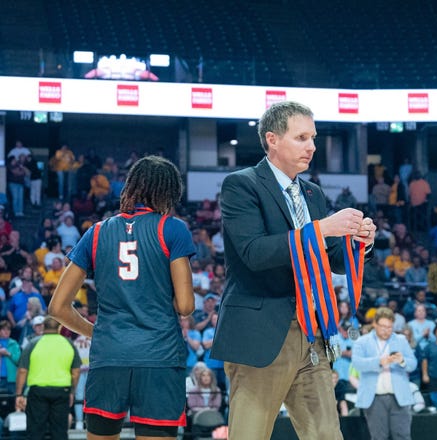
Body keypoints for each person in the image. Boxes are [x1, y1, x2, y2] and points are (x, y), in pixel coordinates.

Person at [210, 101, 376, 440]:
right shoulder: (241, 185)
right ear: (272, 139)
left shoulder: (312, 192)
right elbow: (254, 253)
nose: (312, 146)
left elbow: (332, 260)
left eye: (313, 137)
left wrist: (360, 243)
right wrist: (322, 229)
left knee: (327, 435)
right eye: (301, 137)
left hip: (312, 332)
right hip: (262, 332)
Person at [48, 155, 196, 439]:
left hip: (109, 355)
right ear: (168, 191)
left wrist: (99, 332)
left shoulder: (97, 231)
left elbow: (57, 307)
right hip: (159, 356)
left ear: (132, 186)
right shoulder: (172, 228)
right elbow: (186, 306)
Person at [351, 307, 417, 440]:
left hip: (399, 396)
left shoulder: (401, 340)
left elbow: (413, 364)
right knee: (378, 437)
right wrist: (379, 362)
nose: (386, 330)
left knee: (403, 436)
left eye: (389, 327)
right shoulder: (362, 342)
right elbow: (357, 363)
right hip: (374, 397)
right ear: (374, 323)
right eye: (383, 326)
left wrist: (402, 361)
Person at [14, 316, 81, 440]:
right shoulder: (68, 344)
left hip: (38, 391)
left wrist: (19, 394)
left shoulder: (33, 343)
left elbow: (22, 370)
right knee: (60, 431)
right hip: (62, 391)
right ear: (59, 327)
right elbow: (76, 371)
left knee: (36, 431)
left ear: (44, 327)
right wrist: (72, 391)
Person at [0, 320, 21, 396]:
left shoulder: (14, 344)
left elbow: (19, 361)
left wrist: (8, 354)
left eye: (8, 329)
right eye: (4, 329)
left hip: (11, 380)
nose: (6, 331)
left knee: (11, 403)